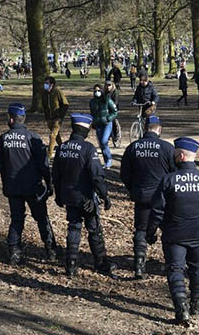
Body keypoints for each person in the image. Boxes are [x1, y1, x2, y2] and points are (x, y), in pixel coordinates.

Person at [146, 137, 199, 324]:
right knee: (198, 268)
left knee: (175, 269)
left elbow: (157, 210)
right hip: (198, 234)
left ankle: (181, 307)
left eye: (175, 154)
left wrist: (150, 231)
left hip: (174, 234)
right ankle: (198, 304)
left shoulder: (168, 180)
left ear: (180, 156)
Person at [52, 113, 116, 278]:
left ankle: (71, 264)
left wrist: (58, 195)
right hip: (86, 198)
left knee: (74, 227)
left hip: (69, 196)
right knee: (94, 229)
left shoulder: (62, 148)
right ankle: (100, 263)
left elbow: (56, 175)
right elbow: (96, 176)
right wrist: (105, 195)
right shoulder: (88, 149)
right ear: (84, 130)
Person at [0, 103, 58, 264]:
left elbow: (1, 165)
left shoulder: (3, 139)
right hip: (33, 187)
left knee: (17, 219)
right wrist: (49, 183)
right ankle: (51, 250)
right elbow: (43, 164)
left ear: (11, 119)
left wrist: (5, 183)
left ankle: (14, 251)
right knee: (42, 218)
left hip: (13, 187)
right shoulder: (33, 138)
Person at [120, 115, 176, 279]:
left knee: (141, 230)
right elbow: (174, 174)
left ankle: (139, 265)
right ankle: (171, 264)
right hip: (163, 198)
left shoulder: (133, 147)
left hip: (142, 196)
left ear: (145, 128)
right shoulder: (167, 148)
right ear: (159, 129)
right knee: (168, 231)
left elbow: (125, 174)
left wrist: (134, 188)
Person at [89, 84, 117, 169]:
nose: (97, 92)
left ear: (101, 91)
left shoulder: (107, 100)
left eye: (98, 90)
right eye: (95, 91)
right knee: (101, 143)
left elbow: (115, 111)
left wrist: (108, 118)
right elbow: (92, 113)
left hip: (107, 124)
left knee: (104, 141)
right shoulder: (92, 102)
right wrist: (93, 122)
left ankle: (109, 160)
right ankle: (106, 161)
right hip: (98, 124)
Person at [42, 76, 69, 160]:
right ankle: (63, 148)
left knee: (52, 135)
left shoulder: (57, 91)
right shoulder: (44, 93)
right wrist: (47, 118)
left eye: (47, 83)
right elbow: (44, 106)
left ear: (52, 84)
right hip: (49, 118)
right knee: (56, 136)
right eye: (45, 83)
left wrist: (60, 116)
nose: (45, 85)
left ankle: (49, 155)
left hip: (57, 118)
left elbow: (65, 104)